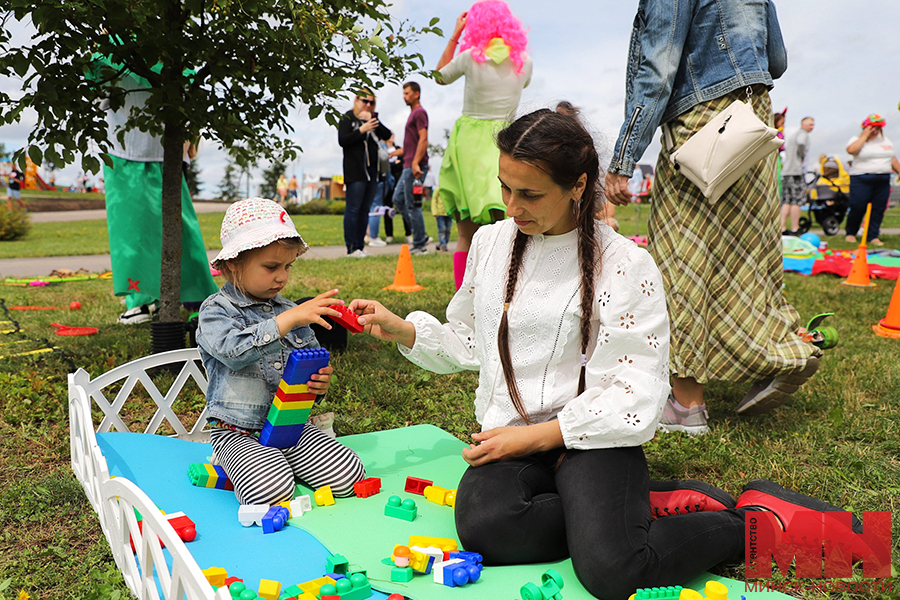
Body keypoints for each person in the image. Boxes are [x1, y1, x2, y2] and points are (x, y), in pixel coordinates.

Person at [349, 107, 861, 600]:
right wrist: (405, 331)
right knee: (487, 529)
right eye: (505, 187)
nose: (511, 206)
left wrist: (534, 439)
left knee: (613, 571)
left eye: (529, 194)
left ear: (578, 186)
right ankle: (635, 508)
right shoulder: (491, 243)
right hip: (513, 432)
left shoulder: (625, 263)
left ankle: (747, 522)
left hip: (593, 437)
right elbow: (473, 339)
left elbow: (636, 391)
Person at [605, 0, 820, 434]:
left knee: (683, 257)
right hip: (752, 119)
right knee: (747, 255)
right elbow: (775, 60)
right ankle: (781, 352)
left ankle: (686, 405)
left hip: (701, 125)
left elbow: (659, 66)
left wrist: (624, 157)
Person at [196, 198, 366, 505]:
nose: (282, 277)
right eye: (271, 267)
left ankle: (277, 463)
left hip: (290, 425)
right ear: (234, 263)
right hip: (238, 431)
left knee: (349, 476)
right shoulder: (215, 311)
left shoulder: (292, 311)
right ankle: (246, 463)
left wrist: (319, 385)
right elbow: (234, 351)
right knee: (272, 492)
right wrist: (286, 321)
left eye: (288, 266)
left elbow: (309, 366)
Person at [93, 59, 219, 325]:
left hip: (166, 150)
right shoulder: (108, 48)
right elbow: (98, 91)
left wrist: (191, 135)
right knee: (132, 232)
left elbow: (189, 87)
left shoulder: (168, 47)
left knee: (181, 229)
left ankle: (198, 298)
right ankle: (143, 299)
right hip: (124, 149)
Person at [435, 1, 533, 287]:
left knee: (466, 232)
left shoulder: (469, 57)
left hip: (469, 145)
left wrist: (455, 34)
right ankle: (507, 290)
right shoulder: (524, 61)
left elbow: (439, 76)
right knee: (509, 225)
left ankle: (463, 297)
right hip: (507, 142)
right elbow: (523, 85)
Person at [338, 90, 392, 257]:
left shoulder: (372, 119)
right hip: (355, 171)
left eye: (371, 102)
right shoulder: (348, 118)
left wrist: (373, 121)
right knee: (353, 209)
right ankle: (351, 248)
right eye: (364, 101)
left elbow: (387, 135)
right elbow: (343, 140)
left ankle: (360, 246)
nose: (367, 105)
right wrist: (362, 130)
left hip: (372, 173)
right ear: (356, 100)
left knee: (364, 210)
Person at [844, 114, 900, 247]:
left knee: (878, 208)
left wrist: (899, 170)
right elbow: (851, 150)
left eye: (877, 128)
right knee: (858, 206)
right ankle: (851, 233)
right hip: (861, 178)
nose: (875, 131)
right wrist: (864, 136)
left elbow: (891, 158)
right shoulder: (856, 139)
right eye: (872, 128)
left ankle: (872, 235)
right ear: (865, 127)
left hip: (883, 179)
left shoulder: (886, 141)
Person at [391, 82, 430, 254]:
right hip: (407, 164)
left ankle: (420, 244)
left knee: (413, 205)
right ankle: (421, 235)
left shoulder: (420, 113)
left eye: (407, 93)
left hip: (415, 167)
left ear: (416, 94)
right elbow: (411, 145)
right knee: (398, 200)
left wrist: (415, 162)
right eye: (404, 93)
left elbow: (424, 139)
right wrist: (394, 153)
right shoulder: (413, 114)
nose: (404, 96)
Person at [781, 116, 815, 235]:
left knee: (786, 200)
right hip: (796, 172)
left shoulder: (793, 135)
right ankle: (795, 228)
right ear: (803, 124)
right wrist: (802, 155)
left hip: (786, 172)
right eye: (810, 124)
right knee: (797, 200)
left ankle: (783, 228)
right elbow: (801, 143)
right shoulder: (803, 134)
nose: (812, 126)